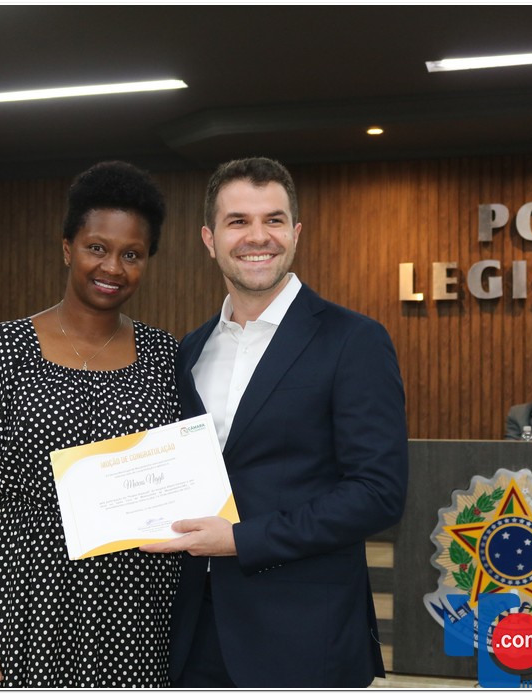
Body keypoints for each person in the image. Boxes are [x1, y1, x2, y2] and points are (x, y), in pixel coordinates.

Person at [140, 157, 409, 687]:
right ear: (209, 239)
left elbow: (378, 493)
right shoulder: (190, 349)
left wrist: (242, 539)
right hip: (195, 631)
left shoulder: (353, 340)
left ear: (296, 233)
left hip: (304, 634)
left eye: (274, 220)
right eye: (238, 221)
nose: (257, 236)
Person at [0, 161, 180, 687]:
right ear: (67, 247)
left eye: (132, 254)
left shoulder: (165, 357)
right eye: (97, 247)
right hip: (24, 594)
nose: (112, 267)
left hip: (134, 606)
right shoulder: (4, 348)